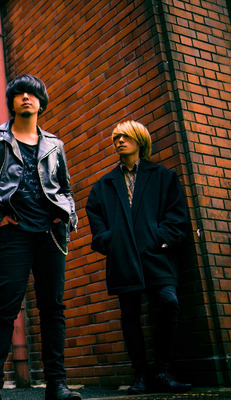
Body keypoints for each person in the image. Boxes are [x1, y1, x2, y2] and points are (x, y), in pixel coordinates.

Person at [0, 75, 81, 400]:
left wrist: (67, 215)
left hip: (50, 235)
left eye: (32, 94)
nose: (26, 97)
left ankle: (57, 384)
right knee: (5, 307)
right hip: (12, 233)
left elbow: (65, 189)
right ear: (12, 102)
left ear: (41, 103)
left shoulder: (55, 144)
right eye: (20, 94)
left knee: (53, 308)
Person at [86, 120, 192, 395]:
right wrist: (110, 241)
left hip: (157, 255)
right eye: (116, 138)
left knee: (168, 302)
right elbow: (96, 219)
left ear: (140, 141)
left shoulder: (162, 177)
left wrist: (160, 237)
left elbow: (177, 216)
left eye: (125, 136)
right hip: (123, 258)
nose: (119, 141)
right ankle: (141, 374)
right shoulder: (104, 185)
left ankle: (163, 371)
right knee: (130, 314)